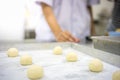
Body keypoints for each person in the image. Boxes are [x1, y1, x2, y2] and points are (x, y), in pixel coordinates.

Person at [35, 0, 99, 43]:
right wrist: (58, 33)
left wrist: (93, 33)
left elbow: (88, 6)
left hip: (80, 37)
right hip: (51, 38)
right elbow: (46, 6)